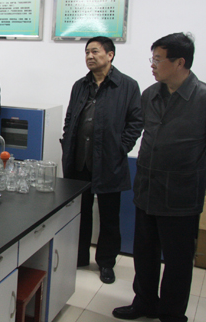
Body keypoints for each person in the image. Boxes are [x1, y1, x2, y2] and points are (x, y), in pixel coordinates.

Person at [113, 33, 206, 322]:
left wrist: (192, 177)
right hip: (147, 189)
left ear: (180, 62)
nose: (152, 64)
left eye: (158, 59)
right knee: (145, 254)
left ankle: (172, 313)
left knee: (178, 260)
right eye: (152, 58)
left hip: (181, 196)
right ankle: (144, 303)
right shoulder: (150, 94)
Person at [61, 36, 143, 284]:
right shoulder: (80, 85)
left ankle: (106, 263)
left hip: (109, 161)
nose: (89, 56)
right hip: (79, 160)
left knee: (109, 216)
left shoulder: (127, 86)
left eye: (95, 51)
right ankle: (79, 257)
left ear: (110, 55)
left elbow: (136, 122)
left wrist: (121, 148)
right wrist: (68, 140)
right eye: (87, 52)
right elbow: (70, 117)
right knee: (80, 212)